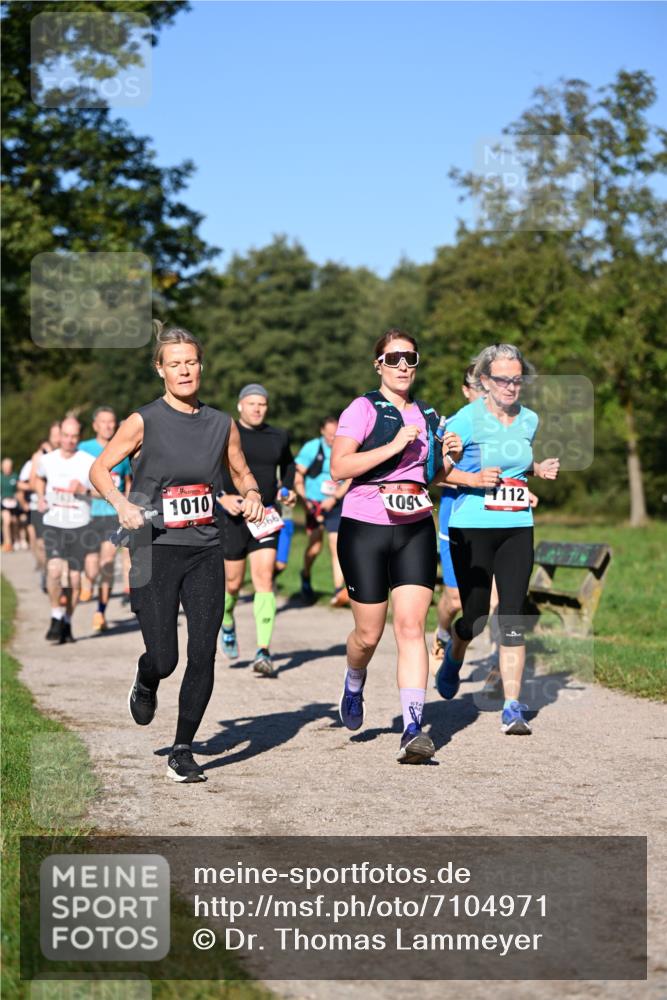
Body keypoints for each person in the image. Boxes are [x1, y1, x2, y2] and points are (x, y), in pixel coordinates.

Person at [90, 323, 264, 783]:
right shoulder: (143, 421)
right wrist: (121, 503)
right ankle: (146, 677)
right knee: (165, 658)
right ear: (160, 370)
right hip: (153, 548)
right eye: (175, 364)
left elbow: (243, 473)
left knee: (202, 652)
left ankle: (183, 749)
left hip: (205, 547)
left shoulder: (221, 423)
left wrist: (252, 494)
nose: (184, 370)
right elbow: (99, 469)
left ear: (200, 367)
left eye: (191, 362)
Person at [331, 329, 462, 764]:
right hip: (365, 525)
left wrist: (449, 459)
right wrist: (392, 445)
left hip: (414, 526)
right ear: (379, 365)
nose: (403, 365)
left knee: (411, 628)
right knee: (368, 635)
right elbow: (340, 466)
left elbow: (429, 477)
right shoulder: (363, 408)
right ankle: (354, 679)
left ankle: (412, 728)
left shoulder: (428, 414)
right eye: (394, 358)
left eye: (410, 358)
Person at [434, 343, 559, 734]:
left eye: (517, 379)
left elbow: (514, 466)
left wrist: (535, 472)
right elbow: (433, 473)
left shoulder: (530, 420)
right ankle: (455, 654)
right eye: (503, 379)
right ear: (485, 380)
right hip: (471, 528)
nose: (511, 386)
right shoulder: (465, 420)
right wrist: (471, 479)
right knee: (474, 616)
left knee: (511, 614)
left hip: (517, 526)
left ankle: (512, 706)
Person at [218, 384, 296, 677]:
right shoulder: (227, 433)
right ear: (240, 406)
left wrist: (287, 489)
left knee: (264, 579)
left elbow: (288, 465)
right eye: (251, 403)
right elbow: (208, 468)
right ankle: (227, 618)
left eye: (262, 403)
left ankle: (263, 650)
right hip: (233, 516)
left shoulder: (278, 436)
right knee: (233, 585)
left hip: (264, 515)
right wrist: (221, 497)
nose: (257, 408)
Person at [34, 418, 95, 643]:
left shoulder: (88, 461)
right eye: (66, 436)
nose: (69, 441)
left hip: (79, 524)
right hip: (54, 521)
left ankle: (67, 621)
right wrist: (40, 497)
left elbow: (103, 491)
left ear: (79, 437)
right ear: (59, 436)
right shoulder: (47, 460)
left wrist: (84, 490)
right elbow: (39, 479)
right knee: (54, 571)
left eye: (74, 436)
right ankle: (55, 616)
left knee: (75, 580)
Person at [79, 407, 132, 631]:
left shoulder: (122, 447)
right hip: (88, 514)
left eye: (111, 422)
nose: (109, 426)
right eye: (104, 422)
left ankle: (100, 612)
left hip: (113, 514)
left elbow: (127, 482)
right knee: (92, 564)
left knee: (108, 562)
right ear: (95, 425)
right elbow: (79, 483)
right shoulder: (84, 449)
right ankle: (88, 581)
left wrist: (126, 505)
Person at [294, 417, 350, 607]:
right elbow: (297, 474)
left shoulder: (346, 447)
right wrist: (305, 500)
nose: (333, 438)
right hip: (314, 503)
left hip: (335, 503)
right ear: (322, 431)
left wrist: (334, 498)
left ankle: (338, 590)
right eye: (330, 434)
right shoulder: (312, 448)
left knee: (336, 545)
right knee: (315, 546)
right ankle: (306, 575)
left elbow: (351, 477)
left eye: (336, 434)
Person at [1, 458, 20, 551]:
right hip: (3, 503)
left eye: (8, 467)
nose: (7, 468)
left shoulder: (15, 477)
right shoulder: (1, 478)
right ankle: (7, 542)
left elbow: (19, 490)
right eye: (5, 467)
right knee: (7, 521)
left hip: (14, 503)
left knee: (15, 521)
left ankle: (16, 539)